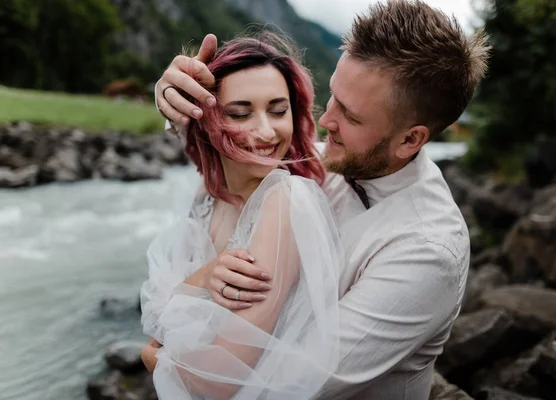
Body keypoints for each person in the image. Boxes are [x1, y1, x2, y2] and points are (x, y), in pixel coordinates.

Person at [153, 0, 490, 398]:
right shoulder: (333, 153)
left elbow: (282, 386)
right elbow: (236, 152)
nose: (325, 122)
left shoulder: (426, 252)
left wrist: (154, 356)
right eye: (333, 97)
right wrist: (173, 99)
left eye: (351, 115)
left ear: (410, 139)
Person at [139, 33, 344, 399]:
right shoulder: (208, 194)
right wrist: (206, 275)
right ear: (206, 119)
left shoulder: (285, 201)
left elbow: (218, 381)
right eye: (240, 113)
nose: (265, 131)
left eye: (279, 111)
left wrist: (152, 358)